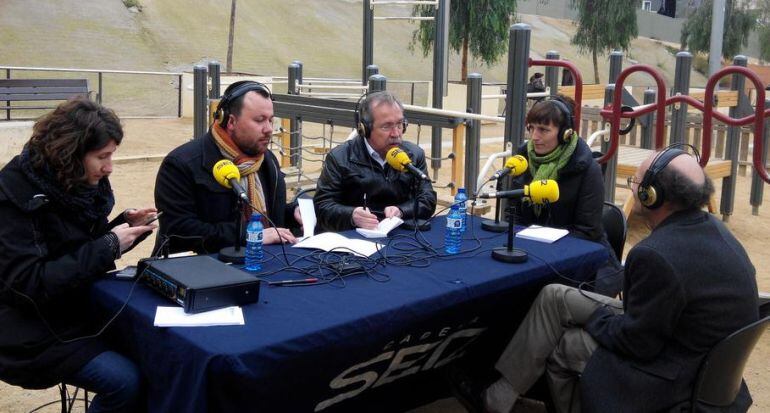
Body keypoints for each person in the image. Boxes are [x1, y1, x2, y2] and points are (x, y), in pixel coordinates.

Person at [463, 146, 758, 413]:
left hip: (672, 373)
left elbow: (637, 342)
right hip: (688, 344)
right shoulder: (716, 231)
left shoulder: (656, 255)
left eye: (637, 182)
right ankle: (501, 396)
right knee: (555, 295)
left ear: (651, 195)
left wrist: (596, 320)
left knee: (567, 345)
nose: (634, 188)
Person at [0, 97, 157, 412]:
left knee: (159, 351)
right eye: (103, 156)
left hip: (75, 312)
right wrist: (108, 245)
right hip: (27, 332)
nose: (109, 167)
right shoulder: (13, 195)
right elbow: (29, 284)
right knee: (125, 382)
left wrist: (122, 229)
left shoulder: (79, 184)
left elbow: (74, 247)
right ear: (71, 153)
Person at [154, 80, 301, 255]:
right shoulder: (180, 164)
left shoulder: (267, 160)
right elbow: (180, 231)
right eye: (260, 120)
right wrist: (251, 235)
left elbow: (267, 214)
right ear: (230, 121)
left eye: (271, 120)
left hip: (267, 263)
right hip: (202, 270)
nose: (269, 129)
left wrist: (293, 213)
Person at [510, 95, 622, 296]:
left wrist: (540, 240)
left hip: (579, 263)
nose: (534, 136)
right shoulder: (522, 160)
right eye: (531, 128)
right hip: (531, 254)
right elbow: (514, 216)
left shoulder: (586, 168)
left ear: (565, 134)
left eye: (543, 130)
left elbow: (588, 232)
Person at [314, 91, 437, 232]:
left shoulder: (414, 155)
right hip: (352, 238)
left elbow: (427, 199)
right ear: (364, 129)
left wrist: (401, 210)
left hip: (400, 237)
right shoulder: (339, 158)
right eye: (386, 126)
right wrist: (351, 215)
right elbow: (322, 206)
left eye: (399, 124)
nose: (396, 133)